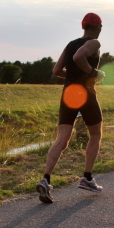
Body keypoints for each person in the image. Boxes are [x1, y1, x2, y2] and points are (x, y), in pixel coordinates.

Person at [36, 12, 106, 203]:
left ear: (84, 26)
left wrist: (74, 76)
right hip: (85, 93)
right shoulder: (94, 43)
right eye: (101, 26)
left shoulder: (70, 44)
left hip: (68, 93)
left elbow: (57, 71)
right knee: (95, 133)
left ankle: (45, 179)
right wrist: (93, 73)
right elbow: (79, 57)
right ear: (97, 27)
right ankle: (87, 178)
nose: (101, 29)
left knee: (62, 139)